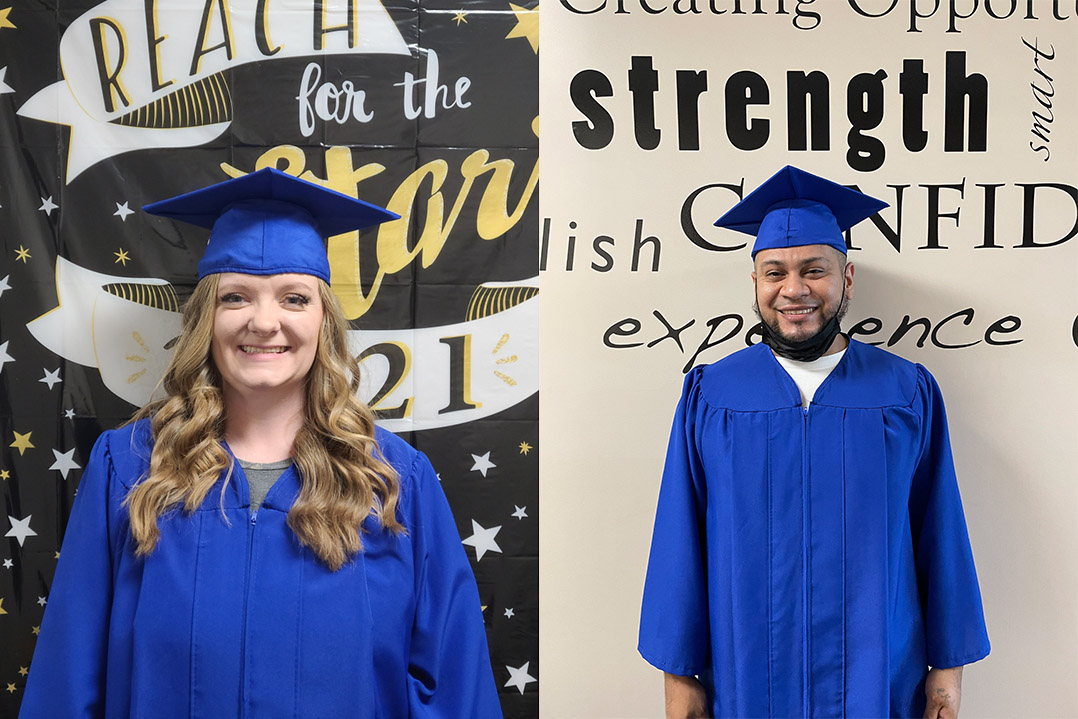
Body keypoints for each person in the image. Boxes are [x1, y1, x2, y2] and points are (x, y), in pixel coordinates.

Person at [20, 167, 503, 718]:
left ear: (324, 322)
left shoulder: (393, 481)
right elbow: (67, 677)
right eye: (236, 298)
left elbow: (454, 688)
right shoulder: (129, 469)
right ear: (206, 318)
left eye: (294, 298)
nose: (264, 322)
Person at [638, 166, 990, 719]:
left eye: (814, 270)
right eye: (773, 272)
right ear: (755, 283)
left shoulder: (905, 392)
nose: (793, 289)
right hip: (746, 677)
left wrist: (946, 677)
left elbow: (939, 533)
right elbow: (680, 540)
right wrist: (680, 681)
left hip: (879, 680)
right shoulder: (713, 394)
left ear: (847, 278)